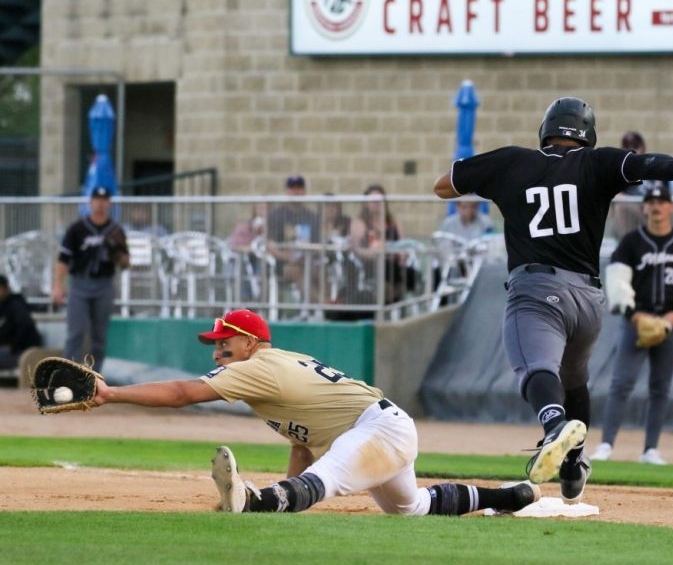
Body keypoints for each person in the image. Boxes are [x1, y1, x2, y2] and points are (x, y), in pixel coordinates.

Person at [433, 96, 673, 505]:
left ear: (546, 130)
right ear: (587, 134)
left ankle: (553, 426)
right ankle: (574, 463)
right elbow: (649, 164)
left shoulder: (512, 161)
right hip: (588, 301)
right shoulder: (598, 162)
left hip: (537, 290)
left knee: (536, 367)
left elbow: (444, 186)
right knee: (574, 381)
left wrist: (498, 182)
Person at [91, 308, 540, 515]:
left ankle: (252, 502)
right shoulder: (275, 364)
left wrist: (111, 395)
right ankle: (510, 496)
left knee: (324, 482)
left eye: (223, 343)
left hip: (376, 430)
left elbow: (181, 394)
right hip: (383, 428)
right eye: (214, 345)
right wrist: (294, 493)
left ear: (249, 342)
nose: (217, 352)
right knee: (412, 507)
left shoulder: (257, 367)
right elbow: (302, 447)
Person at [591, 184, 673, 465]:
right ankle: (605, 445)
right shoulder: (631, 242)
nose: (656, 206)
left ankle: (650, 449)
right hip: (637, 322)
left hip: (669, 323)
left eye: (662, 201)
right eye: (651, 201)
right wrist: (637, 316)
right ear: (643, 208)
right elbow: (617, 285)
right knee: (621, 384)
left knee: (660, 387)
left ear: (671, 207)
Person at [52, 187, 130, 373]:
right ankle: (68, 376)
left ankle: (94, 378)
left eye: (104, 200)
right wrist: (57, 286)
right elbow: (63, 259)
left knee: (99, 336)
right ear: (90, 202)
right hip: (80, 284)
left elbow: (126, 264)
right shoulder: (77, 229)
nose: (100, 203)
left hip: (104, 284)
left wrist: (117, 253)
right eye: (97, 199)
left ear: (109, 203)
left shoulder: (116, 230)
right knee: (76, 332)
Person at [349, 184, 418, 305]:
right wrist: (373, 253)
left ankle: (392, 302)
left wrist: (401, 254)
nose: (377, 204)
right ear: (366, 203)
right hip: (372, 265)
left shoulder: (393, 222)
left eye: (379, 201)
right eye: (373, 201)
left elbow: (403, 244)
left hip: (394, 264)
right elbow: (357, 249)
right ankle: (388, 303)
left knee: (410, 274)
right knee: (385, 270)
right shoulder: (360, 223)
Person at [266, 175, 320, 306]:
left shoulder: (312, 216)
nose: (296, 192)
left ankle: (327, 303)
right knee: (295, 271)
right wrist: (289, 257)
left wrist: (306, 256)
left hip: (306, 260)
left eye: (299, 188)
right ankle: (321, 304)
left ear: (304, 191)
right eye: (293, 188)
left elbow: (317, 244)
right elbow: (270, 245)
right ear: (286, 191)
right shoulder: (276, 215)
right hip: (281, 264)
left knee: (320, 271)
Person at [0, 274, 43, 369]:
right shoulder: (3, 306)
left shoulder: (16, 304)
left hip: (23, 351)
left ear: (5, 288)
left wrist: (13, 346)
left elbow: (25, 325)